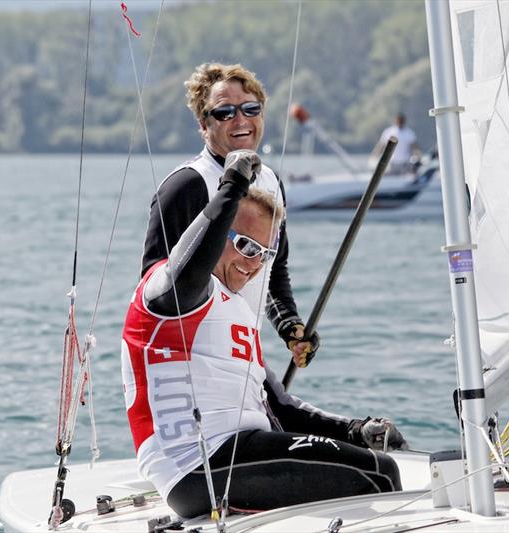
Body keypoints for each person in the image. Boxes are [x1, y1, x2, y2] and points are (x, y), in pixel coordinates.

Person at [122, 149, 407, 517]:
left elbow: (281, 406)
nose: (253, 262)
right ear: (215, 234)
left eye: (264, 253)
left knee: (372, 460)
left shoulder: (237, 309)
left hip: (242, 452)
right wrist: (232, 185)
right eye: (244, 245)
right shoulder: (169, 291)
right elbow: (190, 265)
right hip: (199, 465)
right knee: (379, 475)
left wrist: (354, 429)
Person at [140, 62, 317, 369]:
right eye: (225, 112)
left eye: (251, 109)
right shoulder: (185, 185)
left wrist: (291, 327)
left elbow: (274, 269)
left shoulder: (271, 182)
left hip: (242, 360)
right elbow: (154, 289)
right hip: (189, 363)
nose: (241, 120)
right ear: (203, 122)